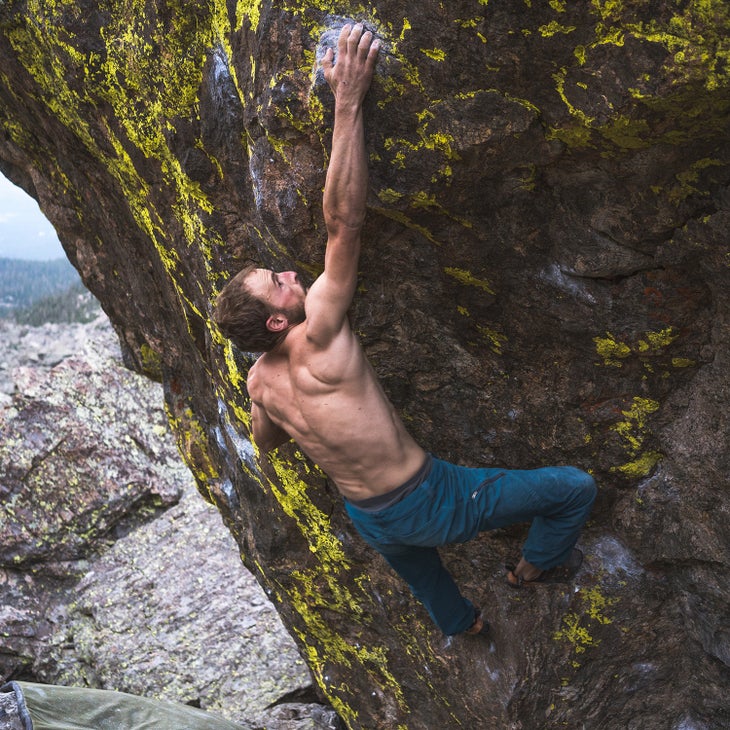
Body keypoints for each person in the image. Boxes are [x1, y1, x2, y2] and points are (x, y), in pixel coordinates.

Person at [213, 23, 596, 637]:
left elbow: (267, 443)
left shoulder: (260, 382)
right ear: (279, 319)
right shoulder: (319, 334)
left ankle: (464, 627)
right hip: (427, 500)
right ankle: (533, 572)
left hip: (368, 515)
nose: (290, 271)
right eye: (278, 282)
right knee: (574, 489)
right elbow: (343, 223)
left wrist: (271, 398)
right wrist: (348, 98)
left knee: (424, 579)